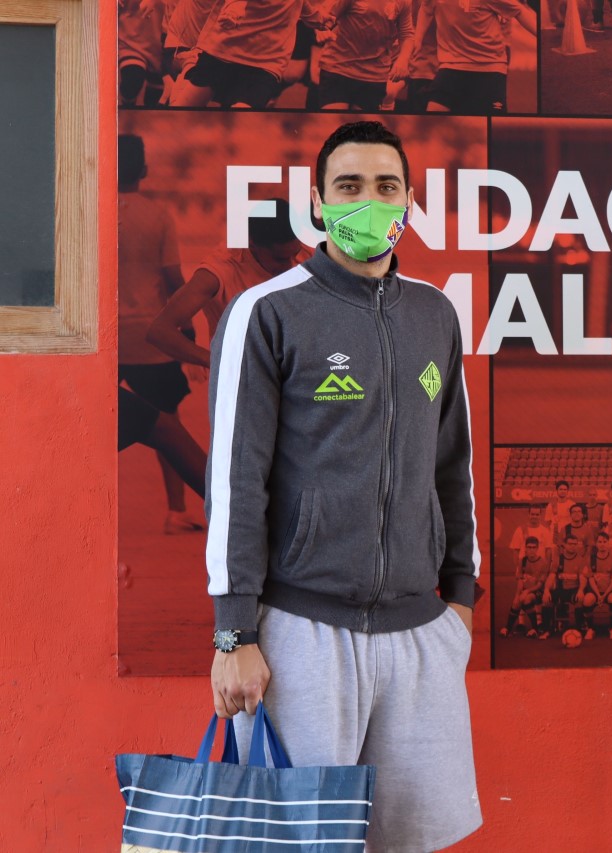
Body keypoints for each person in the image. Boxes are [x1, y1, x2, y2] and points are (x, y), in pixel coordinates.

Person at [206, 121, 482, 851]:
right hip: (303, 635)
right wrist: (235, 633)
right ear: (318, 203)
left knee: (414, 841)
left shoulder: (434, 313)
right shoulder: (268, 312)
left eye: (386, 186)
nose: (368, 201)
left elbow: (451, 463)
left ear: (409, 201)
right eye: (349, 186)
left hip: (419, 634)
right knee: (300, 843)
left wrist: (460, 599)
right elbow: (235, 479)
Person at [118, 133, 202, 535]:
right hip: (147, 335)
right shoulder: (157, 216)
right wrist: (186, 326)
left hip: (102, 337)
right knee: (167, 422)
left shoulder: (90, 211)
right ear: (145, 170)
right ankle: (176, 511)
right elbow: (172, 278)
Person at [147, 198, 304, 372]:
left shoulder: (305, 251)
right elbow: (160, 331)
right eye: (279, 259)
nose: (290, 265)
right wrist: (221, 363)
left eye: (294, 254)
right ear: (252, 243)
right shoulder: (218, 272)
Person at [169, 0, 329, 109]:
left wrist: (322, 20)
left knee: (242, 115)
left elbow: (303, 6)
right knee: (184, 111)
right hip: (224, 52)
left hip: (266, 63)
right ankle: (183, 79)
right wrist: (234, 8)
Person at [429, 0, 537, 115]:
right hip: (452, 63)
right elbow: (426, 8)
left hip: (489, 64)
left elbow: (519, 10)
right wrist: (418, 40)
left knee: (487, 116)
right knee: (434, 114)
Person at [316, 0, 415, 111]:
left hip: (374, 75)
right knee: (334, 120)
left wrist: (403, 59)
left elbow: (407, 34)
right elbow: (322, 16)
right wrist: (321, 30)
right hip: (338, 67)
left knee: (362, 122)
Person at [503, 536, 551, 637]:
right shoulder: (523, 561)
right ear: (525, 548)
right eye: (529, 547)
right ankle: (507, 629)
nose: (531, 550)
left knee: (526, 599)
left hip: (538, 592)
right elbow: (521, 580)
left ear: (537, 548)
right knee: (516, 602)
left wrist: (527, 591)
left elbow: (539, 585)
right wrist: (517, 595)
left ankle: (535, 629)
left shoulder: (543, 563)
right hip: (526, 590)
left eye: (534, 547)